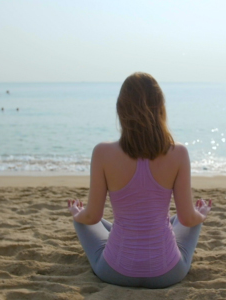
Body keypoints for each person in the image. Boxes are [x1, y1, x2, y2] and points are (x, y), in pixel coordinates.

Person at [67, 72, 212, 288]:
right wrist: (201, 215)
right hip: (168, 273)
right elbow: (187, 218)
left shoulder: (102, 153)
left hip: (114, 272)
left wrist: (78, 214)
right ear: (160, 108)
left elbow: (93, 216)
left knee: (81, 220)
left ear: (121, 109)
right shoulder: (178, 153)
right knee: (190, 218)